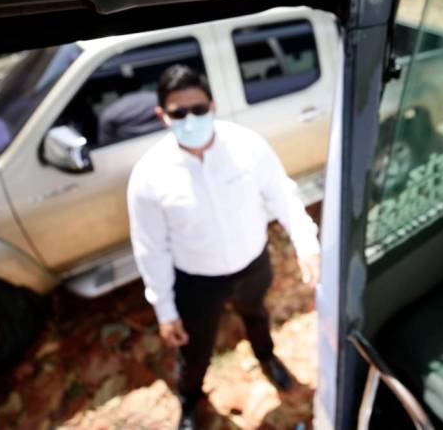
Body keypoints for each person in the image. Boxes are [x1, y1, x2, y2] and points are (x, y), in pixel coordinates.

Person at [127, 64, 321, 429]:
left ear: (212, 105)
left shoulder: (247, 146)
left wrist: (307, 244)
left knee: (256, 315)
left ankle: (268, 358)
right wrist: (165, 310)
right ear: (162, 116)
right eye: (178, 113)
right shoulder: (149, 176)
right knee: (196, 348)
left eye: (198, 109)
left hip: (252, 264)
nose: (191, 119)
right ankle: (190, 399)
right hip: (197, 281)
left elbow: (282, 195)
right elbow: (150, 247)